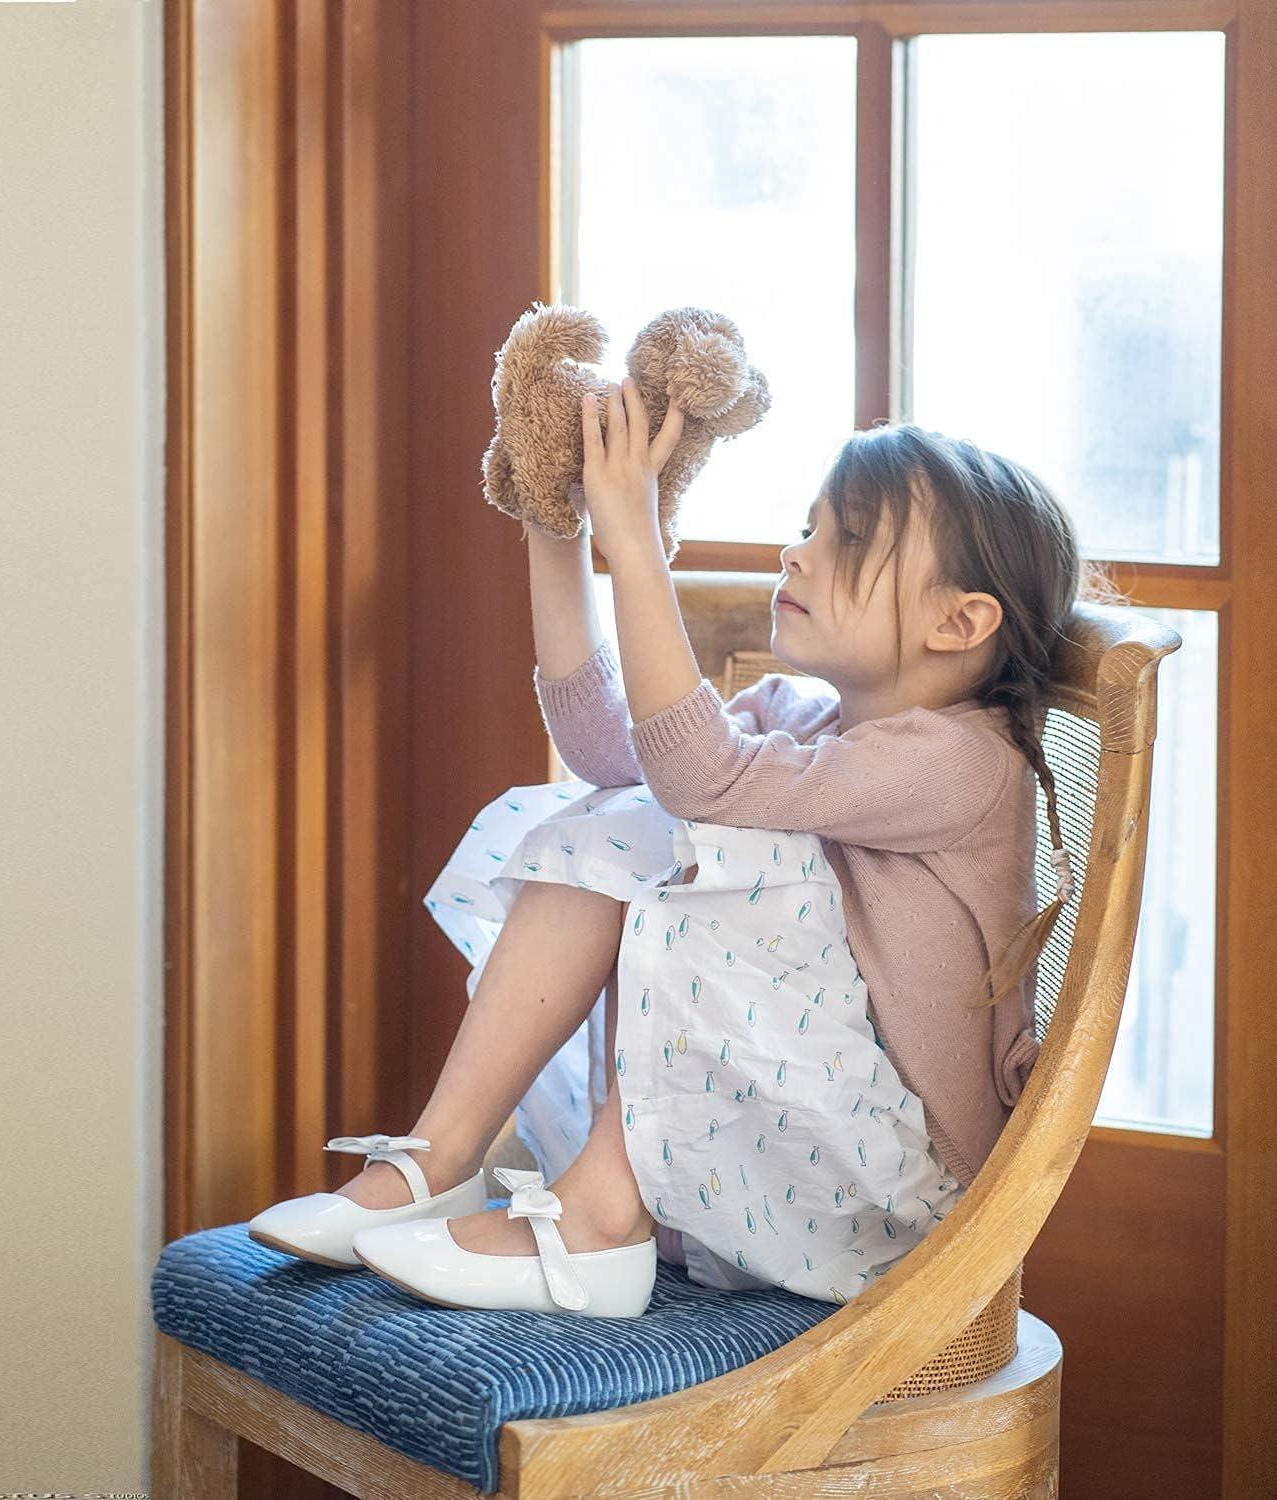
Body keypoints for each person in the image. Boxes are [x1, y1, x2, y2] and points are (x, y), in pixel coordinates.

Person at [251, 378, 1112, 1317]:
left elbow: (698, 780)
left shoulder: (962, 762)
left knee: (703, 839)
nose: (797, 551)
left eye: (850, 540)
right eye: (809, 526)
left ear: (960, 621)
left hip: (886, 1201)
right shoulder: (802, 722)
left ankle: (599, 1218)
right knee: (629, 814)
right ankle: (440, 1158)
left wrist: (634, 544)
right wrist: (559, 529)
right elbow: (615, 757)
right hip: (761, 1163)